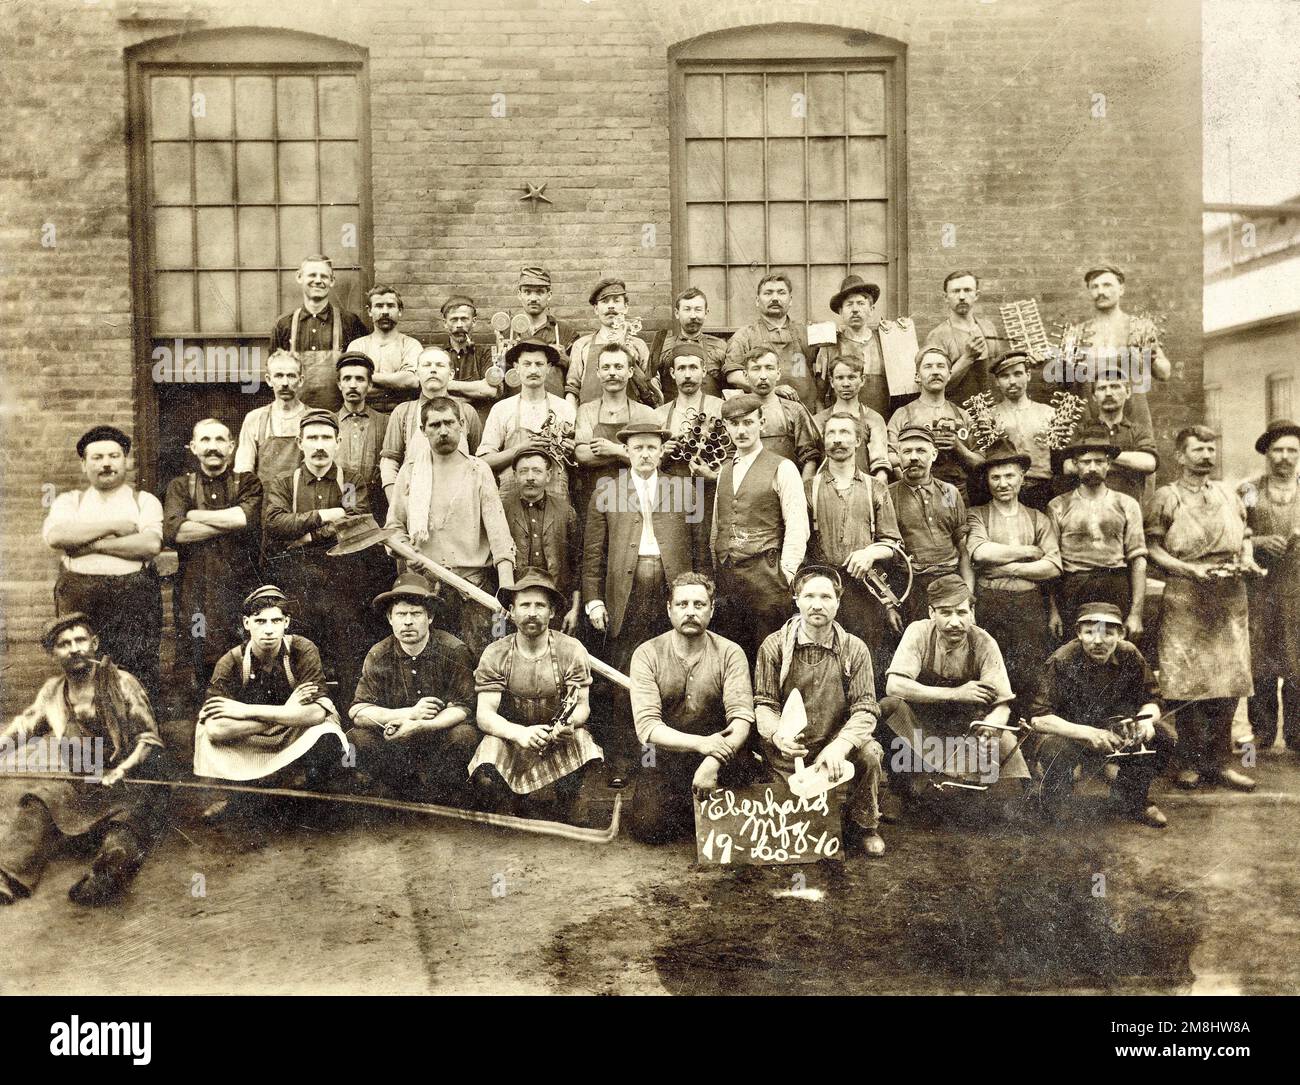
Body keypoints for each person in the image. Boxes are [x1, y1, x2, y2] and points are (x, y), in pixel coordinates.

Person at [0, 614, 173, 907]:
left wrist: (122, 769)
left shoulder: (122, 682)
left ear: (94, 643)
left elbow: (149, 739)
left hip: (132, 783)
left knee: (124, 833)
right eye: (63, 644)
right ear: (53, 653)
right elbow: (22, 728)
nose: (74, 648)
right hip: (85, 784)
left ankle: (103, 878)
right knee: (38, 800)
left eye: (80, 640)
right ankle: (6, 874)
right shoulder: (53, 692)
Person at [583, 422, 709, 781]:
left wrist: (702, 593)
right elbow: (593, 554)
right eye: (638, 448)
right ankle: (624, 761)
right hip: (626, 594)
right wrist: (594, 600)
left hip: (673, 592)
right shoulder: (608, 490)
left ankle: (664, 760)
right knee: (625, 675)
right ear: (627, 451)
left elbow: (700, 548)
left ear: (661, 451)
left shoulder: (684, 489)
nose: (645, 454)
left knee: (673, 671)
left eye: (652, 448)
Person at [1146, 426, 1260, 792]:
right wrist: (1189, 569)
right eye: (1198, 449)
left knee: (1229, 679)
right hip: (1186, 593)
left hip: (1229, 593)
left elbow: (1244, 535)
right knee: (1186, 681)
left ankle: (1221, 763)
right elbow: (1153, 549)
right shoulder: (1167, 496)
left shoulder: (1229, 493)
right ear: (1180, 456)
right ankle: (1187, 762)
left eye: (1211, 448)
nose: (1207, 455)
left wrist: (1246, 559)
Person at [754, 566, 886, 856]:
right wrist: (778, 736)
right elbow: (764, 704)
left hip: (834, 746)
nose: (817, 604)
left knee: (870, 754)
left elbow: (865, 709)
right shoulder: (774, 646)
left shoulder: (854, 649)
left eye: (826, 597)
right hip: (790, 751)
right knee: (789, 834)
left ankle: (865, 826)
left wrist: (840, 746)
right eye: (809, 596)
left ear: (838, 603)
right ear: (796, 599)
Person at [192, 586, 347, 822]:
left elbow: (316, 713)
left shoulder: (303, 649)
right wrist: (286, 713)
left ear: (286, 622)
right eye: (260, 621)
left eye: (276, 621)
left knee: (326, 730)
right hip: (257, 736)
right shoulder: (231, 661)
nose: (268, 630)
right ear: (246, 623)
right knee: (205, 735)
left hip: (293, 731)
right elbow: (216, 728)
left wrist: (246, 711)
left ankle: (304, 795)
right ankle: (240, 798)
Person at [261, 409, 382, 705]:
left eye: (326, 437)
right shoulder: (284, 483)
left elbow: (355, 522)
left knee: (347, 657)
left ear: (337, 441)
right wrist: (326, 515)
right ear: (300, 443)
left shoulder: (351, 481)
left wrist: (308, 535)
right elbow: (275, 523)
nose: (319, 445)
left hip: (343, 584)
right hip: (299, 585)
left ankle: (349, 721)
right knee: (301, 656)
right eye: (312, 438)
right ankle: (303, 720)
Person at [626, 573, 757, 843]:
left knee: (743, 830)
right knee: (648, 827)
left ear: (712, 609)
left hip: (721, 751)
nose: (690, 612)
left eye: (699, 605)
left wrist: (712, 761)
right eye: (682, 604)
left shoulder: (730, 652)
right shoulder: (647, 654)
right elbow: (649, 728)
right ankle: (685, 808)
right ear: (669, 609)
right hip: (663, 753)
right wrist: (700, 744)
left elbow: (741, 720)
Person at [387, 396, 516, 661]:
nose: (443, 430)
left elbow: (500, 536)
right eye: (434, 425)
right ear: (423, 431)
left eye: (449, 423)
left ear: (462, 425)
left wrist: (506, 590)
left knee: (477, 662)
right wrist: (409, 553)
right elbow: (394, 529)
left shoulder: (478, 470)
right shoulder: (411, 472)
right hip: (425, 590)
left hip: (472, 589)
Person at [879, 575, 1030, 800]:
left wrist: (991, 725)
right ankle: (898, 789)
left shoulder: (984, 643)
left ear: (972, 613)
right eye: (945, 613)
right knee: (888, 707)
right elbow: (895, 686)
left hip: (967, 729)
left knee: (1007, 803)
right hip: (921, 728)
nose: (955, 622)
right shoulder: (919, 632)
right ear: (932, 613)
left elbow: (1003, 705)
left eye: (961, 613)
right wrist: (956, 693)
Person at [43, 425, 163, 705]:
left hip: (133, 598)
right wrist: (115, 527)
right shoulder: (69, 501)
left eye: (114, 456)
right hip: (79, 598)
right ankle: (87, 734)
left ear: (126, 461)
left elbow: (149, 545)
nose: (106, 463)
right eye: (97, 457)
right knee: (81, 664)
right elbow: (57, 536)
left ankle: (139, 736)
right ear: (84, 464)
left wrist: (89, 544)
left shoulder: (144, 501)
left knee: (135, 667)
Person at [469, 573, 602, 819]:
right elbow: (484, 715)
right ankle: (511, 799)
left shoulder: (571, 649)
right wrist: (518, 733)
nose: (532, 612)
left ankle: (568, 796)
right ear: (511, 610)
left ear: (552, 612)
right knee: (489, 749)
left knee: (582, 740)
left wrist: (568, 724)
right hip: (513, 739)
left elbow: (582, 705)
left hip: (555, 738)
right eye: (525, 605)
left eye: (540, 605)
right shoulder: (495, 653)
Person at [1029, 602, 1173, 827]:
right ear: (1078, 633)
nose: (1098, 641)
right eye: (1089, 632)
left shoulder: (1130, 654)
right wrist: (1086, 733)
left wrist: (1146, 720)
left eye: (1108, 633)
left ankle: (1131, 800)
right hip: (1073, 733)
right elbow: (1039, 717)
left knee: (1163, 737)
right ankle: (1056, 800)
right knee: (1054, 748)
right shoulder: (1062, 660)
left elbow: (1152, 699)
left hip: (1113, 731)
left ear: (1121, 634)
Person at [347, 573, 479, 803]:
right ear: (390, 618)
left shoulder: (453, 650)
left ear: (430, 617)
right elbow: (358, 711)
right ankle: (399, 790)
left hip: (439, 739)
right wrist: (408, 714)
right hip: (396, 742)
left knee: (464, 736)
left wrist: (420, 725)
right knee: (356, 739)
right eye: (401, 614)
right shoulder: (378, 654)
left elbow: (464, 707)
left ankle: (442, 795)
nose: (408, 622)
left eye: (416, 613)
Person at [163, 418, 263, 701]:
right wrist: (228, 521)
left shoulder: (248, 482)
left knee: (244, 657)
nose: (213, 447)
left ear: (232, 447)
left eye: (220, 440)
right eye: (205, 440)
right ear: (193, 447)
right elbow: (176, 532)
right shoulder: (180, 487)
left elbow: (246, 518)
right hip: (195, 593)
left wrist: (194, 515)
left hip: (240, 589)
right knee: (198, 655)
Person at [965, 441, 1061, 720]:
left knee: (1030, 673)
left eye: (1009, 476)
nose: (1003, 483)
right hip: (990, 603)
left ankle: (1028, 740)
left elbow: (1053, 566)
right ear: (987, 480)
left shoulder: (1037, 518)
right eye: (995, 477)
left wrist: (1007, 569)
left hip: (1028, 606)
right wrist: (1027, 553)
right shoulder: (977, 514)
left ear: (1022, 478)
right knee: (991, 671)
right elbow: (981, 552)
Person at [711, 395, 810, 658]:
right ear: (726, 427)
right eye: (734, 424)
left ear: (761, 423)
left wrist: (786, 573)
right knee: (733, 653)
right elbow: (718, 524)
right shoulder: (724, 470)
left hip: (766, 578)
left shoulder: (783, 467)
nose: (741, 430)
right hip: (729, 578)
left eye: (748, 422)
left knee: (769, 654)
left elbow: (798, 523)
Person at [805, 411, 905, 665]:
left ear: (858, 441)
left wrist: (870, 553)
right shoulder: (808, 488)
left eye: (845, 433)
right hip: (823, 589)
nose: (837, 440)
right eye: (831, 434)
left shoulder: (875, 487)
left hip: (865, 592)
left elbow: (893, 544)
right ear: (824, 441)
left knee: (865, 659)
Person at [1046, 427, 1147, 639]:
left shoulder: (1126, 504)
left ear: (1108, 464)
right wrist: (1054, 611)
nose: (1093, 467)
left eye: (1099, 462)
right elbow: (1051, 562)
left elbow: (1138, 559)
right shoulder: (1058, 506)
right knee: (1075, 650)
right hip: (1074, 587)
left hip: (1115, 585)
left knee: (1112, 650)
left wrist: (1136, 614)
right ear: (1075, 465)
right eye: (1086, 462)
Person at [1242, 419, 1300, 754]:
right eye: (1278, 449)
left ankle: (1297, 734)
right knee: (1260, 659)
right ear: (1267, 453)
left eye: (1292, 450)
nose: (1285, 456)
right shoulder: (1249, 489)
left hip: (1297, 588)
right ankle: (1261, 733)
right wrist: (1260, 540)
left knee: (1297, 661)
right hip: (1259, 588)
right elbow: (1233, 528)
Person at [888, 424, 973, 625]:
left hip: (950, 582)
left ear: (934, 455)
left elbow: (963, 550)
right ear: (898, 456)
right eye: (907, 451)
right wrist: (890, 605)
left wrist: (968, 596)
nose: (914, 457)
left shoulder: (950, 494)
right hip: (910, 587)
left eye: (921, 450)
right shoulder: (887, 496)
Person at [379, 347, 483, 506]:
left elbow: (479, 462)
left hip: (459, 501)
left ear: (451, 374)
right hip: (414, 501)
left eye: (440, 365)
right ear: (417, 373)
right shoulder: (402, 412)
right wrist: (398, 506)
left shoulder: (467, 413)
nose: (433, 370)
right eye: (427, 365)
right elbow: (389, 464)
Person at [1075, 264, 1171, 434]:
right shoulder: (1078, 333)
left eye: (1107, 285)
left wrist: (1152, 356)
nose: (1100, 292)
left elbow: (1164, 373)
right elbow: (1063, 381)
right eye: (1094, 287)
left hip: (1133, 418)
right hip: (1092, 421)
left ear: (1121, 289)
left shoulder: (1139, 328)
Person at [477, 337, 575, 502]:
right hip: (512, 500)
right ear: (516, 367)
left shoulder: (564, 408)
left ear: (549, 368)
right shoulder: (502, 408)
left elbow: (576, 457)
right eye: (527, 364)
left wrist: (571, 450)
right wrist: (520, 448)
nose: (533, 370)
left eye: (539, 364)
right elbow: (484, 460)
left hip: (555, 499)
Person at [572, 341, 659, 527]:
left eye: (619, 366)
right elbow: (582, 455)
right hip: (594, 498)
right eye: (606, 367)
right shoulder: (586, 411)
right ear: (598, 373)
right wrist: (629, 454)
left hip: (635, 501)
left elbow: (653, 460)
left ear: (630, 372)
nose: (612, 372)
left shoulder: (645, 413)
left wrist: (612, 449)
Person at [268, 254, 367, 411]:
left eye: (324, 276)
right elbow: (275, 373)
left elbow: (362, 371)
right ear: (299, 277)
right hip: (296, 416)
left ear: (332, 281)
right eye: (312, 275)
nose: (318, 280)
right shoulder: (283, 325)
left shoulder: (349, 321)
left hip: (339, 416)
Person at [501, 447, 581, 634]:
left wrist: (574, 609)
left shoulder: (565, 512)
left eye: (536, 470)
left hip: (555, 608)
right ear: (515, 476)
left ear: (549, 475)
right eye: (523, 471)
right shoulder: (501, 510)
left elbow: (578, 564)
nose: (530, 477)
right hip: (513, 607)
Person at [887, 346, 983, 501]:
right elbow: (890, 456)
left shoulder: (964, 415)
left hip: (954, 495)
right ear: (917, 376)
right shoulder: (903, 414)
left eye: (941, 366)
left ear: (949, 374)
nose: (935, 372)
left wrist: (959, 448)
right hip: (914, 493)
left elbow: (981, 463)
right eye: (928, 367)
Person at [723, 272, 822, 415]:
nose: (775, 298)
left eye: (781, 293)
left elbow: (824, 373)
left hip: (805, 413)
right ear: (757, 300)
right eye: (768, 293)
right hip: (762, 415)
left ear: (790, 300)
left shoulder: (807, 333)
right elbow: (733, 375)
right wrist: (771, 389)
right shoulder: (744, 335)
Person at [1058, 366, 1158, 507]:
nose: (1109, 393)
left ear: (1128, 392)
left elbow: (1148, 463)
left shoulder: (1137, 431)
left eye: (1115, 386)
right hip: (1086, 509)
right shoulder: (1081, 430)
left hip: (1126, 510)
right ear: (1094, 397)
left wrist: (1095, 461)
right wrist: (1128, 464)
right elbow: (1068, 467)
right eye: (1102, 388)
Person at [565, 277, 657, 408]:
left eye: (616, 300)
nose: (611, 306)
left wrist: (635, 368)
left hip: (631, 421)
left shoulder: (638, 345)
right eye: (604, 301)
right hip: (590, 421)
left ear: (626, 307)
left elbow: (654, 390)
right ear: (596, 309)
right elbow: (572, 388)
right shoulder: (582, 345)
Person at [985, 350, 1056, 511]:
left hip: (1041, 489)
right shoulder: (989, 416)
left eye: (1018, 374)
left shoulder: (1048, 412)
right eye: (1005, 376)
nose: (1012, 381)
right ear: (996, 381)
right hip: (1004, 490)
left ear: (1028, 375)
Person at [815, 274, 891, 418]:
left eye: (861, 303)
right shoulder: (829, 346)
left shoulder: (885, 341)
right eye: (849, 304)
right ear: (840, 311)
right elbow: (819, 398)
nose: (855, 309)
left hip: (881, 423)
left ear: (872, 309)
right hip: (842, 428)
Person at [922, 270, 1000, 406]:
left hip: (991, 411)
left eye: (967, 290)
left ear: (977, 295)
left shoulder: (988, 328)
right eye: (956, 291)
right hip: (955, 415)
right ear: (945, 297)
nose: (962, 296)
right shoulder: (937, 336)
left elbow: (1000, 371)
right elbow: (933, 385)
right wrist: (967, 358)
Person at [234, 349, 308, 490]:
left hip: (302, 504)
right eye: (279, 376)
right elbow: (244, 470)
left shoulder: (313, 418)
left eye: (291, 376)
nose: (285, 382)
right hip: (265, 503)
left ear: (301, 380)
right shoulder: (255, 418)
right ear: (268, 380)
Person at [741, 347, 822, 477]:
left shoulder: (794, 410)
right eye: (756, 369)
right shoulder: (736, 410)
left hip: (785, 486)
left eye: (769, 368)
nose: (763, 376)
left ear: (778, 373)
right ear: (745, 375)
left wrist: (801, 492)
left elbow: (809, 458)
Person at [345, 284, 421, 414]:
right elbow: (353, 385)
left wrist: (367, 377)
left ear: (400, 311)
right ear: (369, 311)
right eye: (379, 306)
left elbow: (411, 382)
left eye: (390, 306)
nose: (385, 311)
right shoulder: (357, 345)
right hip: (364, 414)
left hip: (403, 413)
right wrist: (396, 383)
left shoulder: (411, 345)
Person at [813, 356, 890, 484]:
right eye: (839, 378)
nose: (846, 384)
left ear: (862, 380)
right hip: (826, 489)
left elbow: (880, 464)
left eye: (852, 377)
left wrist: (878, 490)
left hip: (862, 488)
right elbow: (811, 461)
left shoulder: (873, 419)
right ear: (831, 382)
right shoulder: (819, 420)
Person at [334, 351, 389, 525]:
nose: (353, 385)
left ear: (370, 385)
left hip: (377, 506)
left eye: (360, 379)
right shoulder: (330, 423)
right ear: (339, 384)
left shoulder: (385, 422)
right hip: (337, 504)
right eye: (347, 379)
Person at [512, 265, 575, 398]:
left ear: (549, 295)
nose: (533, 298)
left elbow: (576, 375)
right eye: (527, 292)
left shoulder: (564, 331)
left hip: (554, 409)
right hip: (517, 407)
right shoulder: (508, 331)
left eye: (540, 292)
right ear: (519, 294)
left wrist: (561, 358)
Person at [439, 295, 501, 427]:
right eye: (454, 320)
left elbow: (490, 390)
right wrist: (474, 392)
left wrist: (447, 384)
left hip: (480, 421)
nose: (459, 325)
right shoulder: (437, 356)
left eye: (464, 319)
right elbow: (431, 392)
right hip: (447, 423)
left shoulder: (485, 354)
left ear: (474, 321)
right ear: (445, 323)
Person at [657, 288, 727, 399]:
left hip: (711, 413)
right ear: (677, 313)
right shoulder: (663, 348)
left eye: (698, 310)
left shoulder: (720, 346)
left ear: (706, 313)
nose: (693, 316)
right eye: (687, 309)